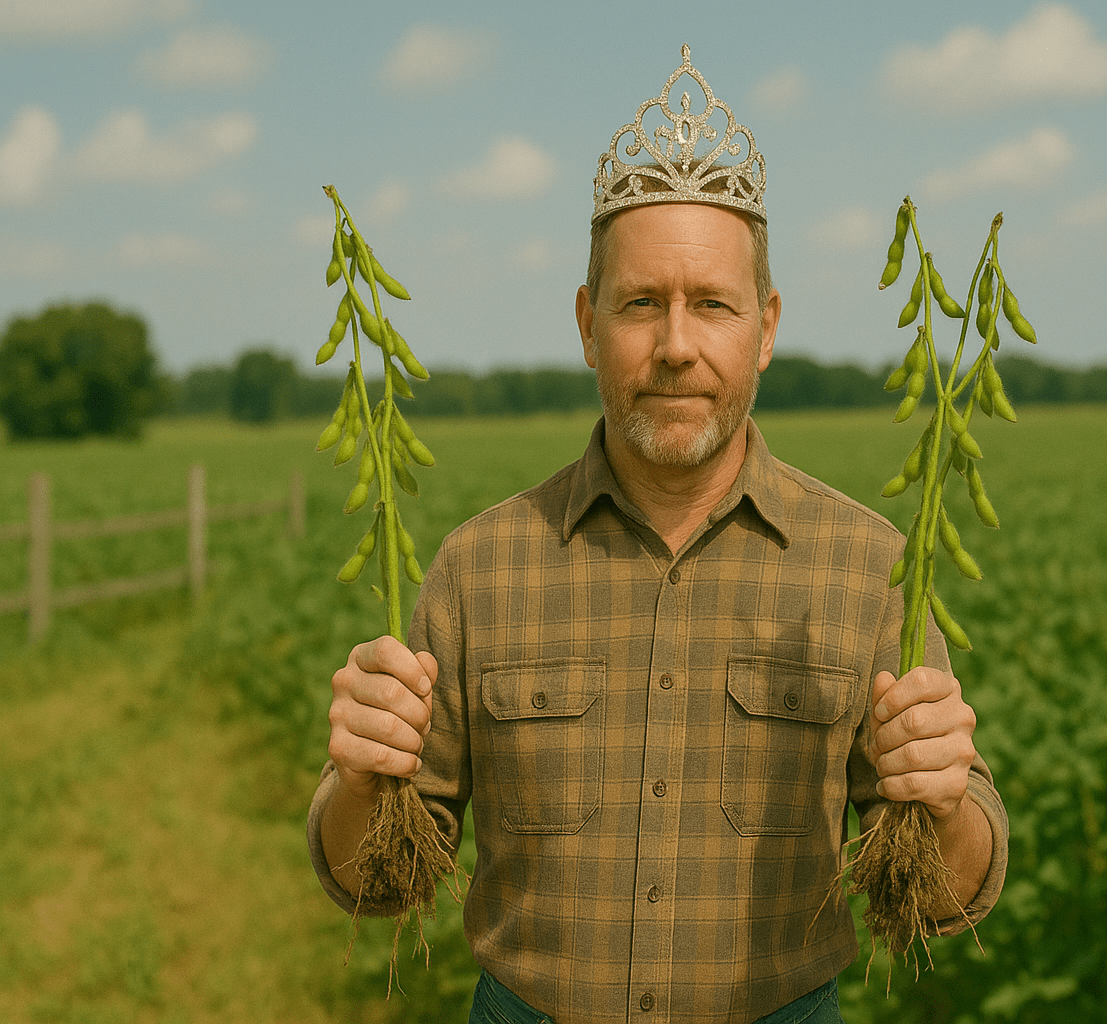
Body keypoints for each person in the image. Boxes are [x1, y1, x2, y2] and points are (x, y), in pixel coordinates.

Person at [308, 45, 1008, 1024]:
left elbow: (947, 896)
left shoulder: (870, 567)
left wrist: (940, 803)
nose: (676, 345)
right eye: (642, 304)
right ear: (590, 325)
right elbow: (376, 880)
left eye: (711, 305)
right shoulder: (480, 566)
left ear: (763, 328)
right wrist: (355, 779)